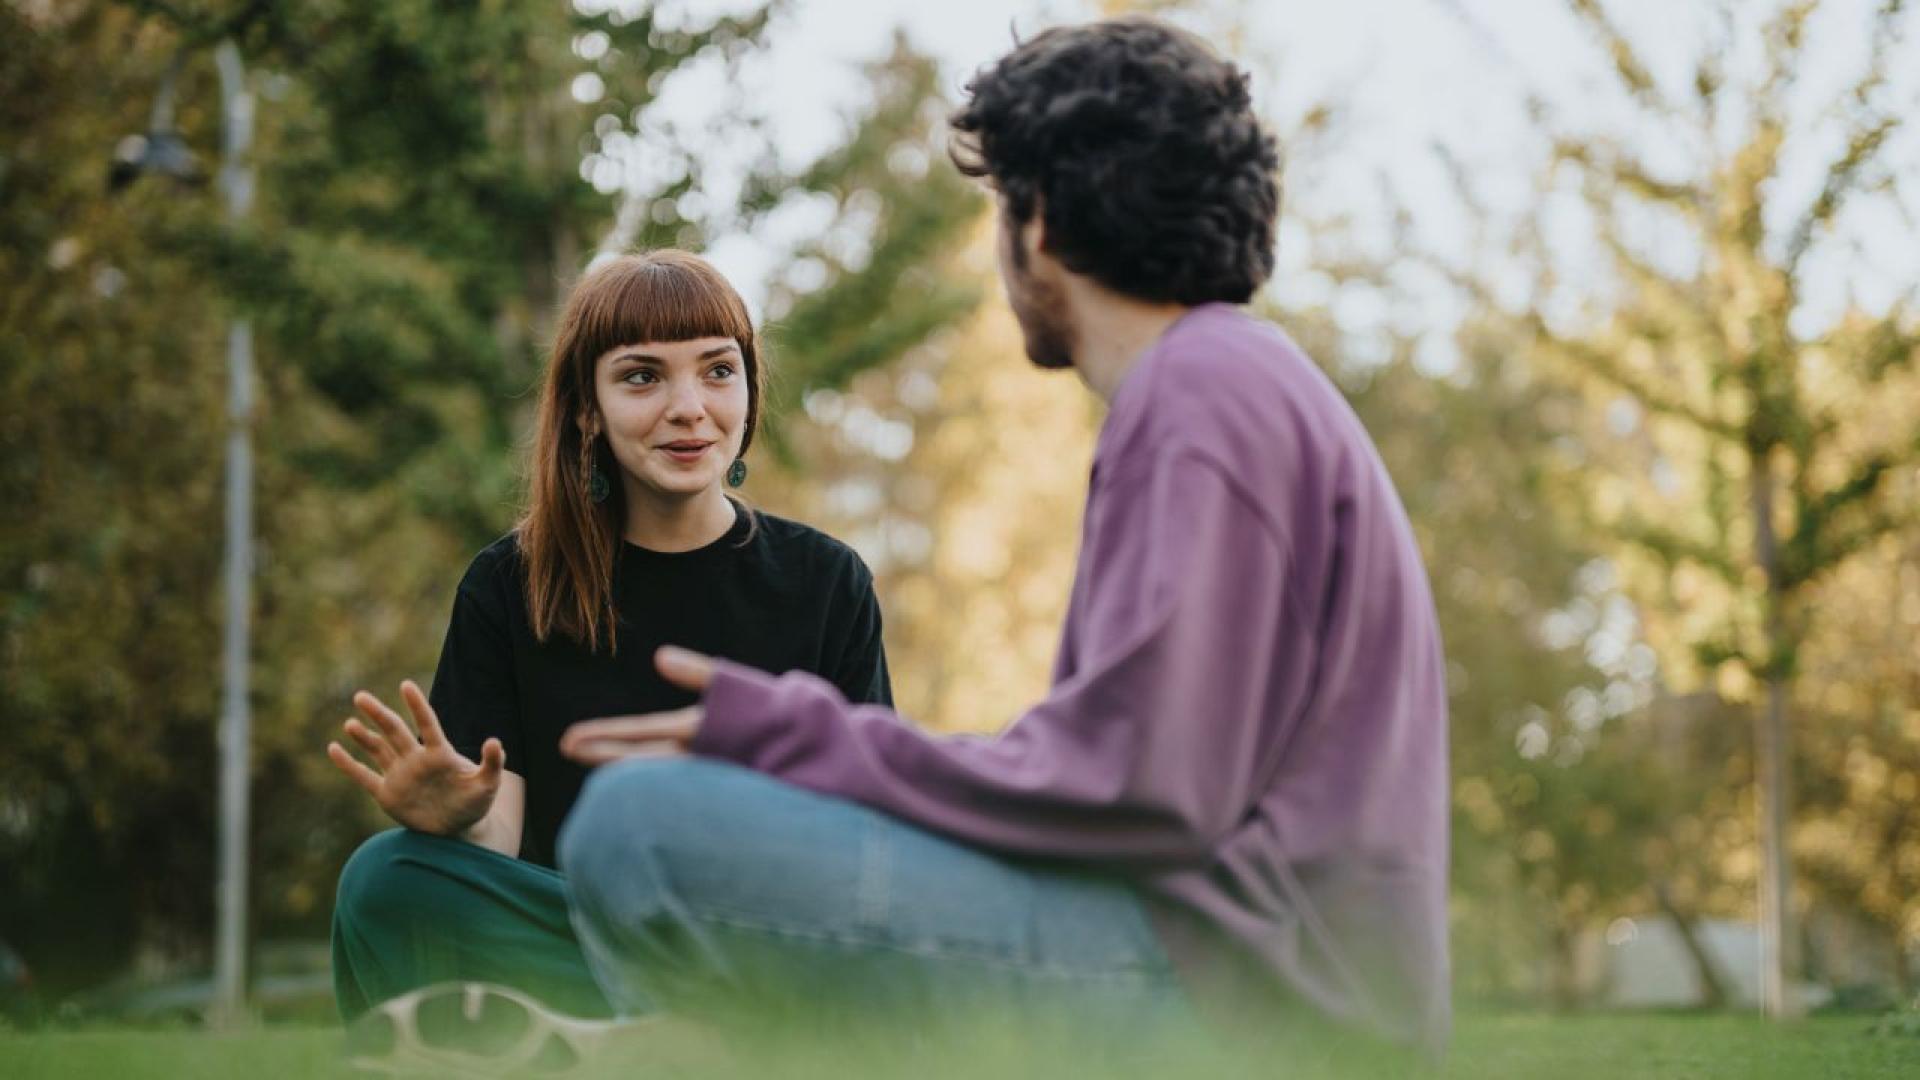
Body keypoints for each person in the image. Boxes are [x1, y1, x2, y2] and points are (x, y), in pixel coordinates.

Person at [554, 16, 1451, 1056]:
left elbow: (1138, 789)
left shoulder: (1199, 396)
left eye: (999, 211)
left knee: (641, 829)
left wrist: (801, 739)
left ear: (1039, 226)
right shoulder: (1239, 381)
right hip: (1250, 968)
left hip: (1249, 999)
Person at [324, 249, 894, 1026]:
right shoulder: (508, 586)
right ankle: (660, 1043)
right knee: (384, 879)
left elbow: (866, 840)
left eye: (718, 371)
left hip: (761, 952)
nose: (690, 406)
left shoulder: (829, 583)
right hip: (580, 951)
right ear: (587, 408)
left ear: (750, 391)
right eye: (642, 376)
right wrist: (460, 823)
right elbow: (504, 838)